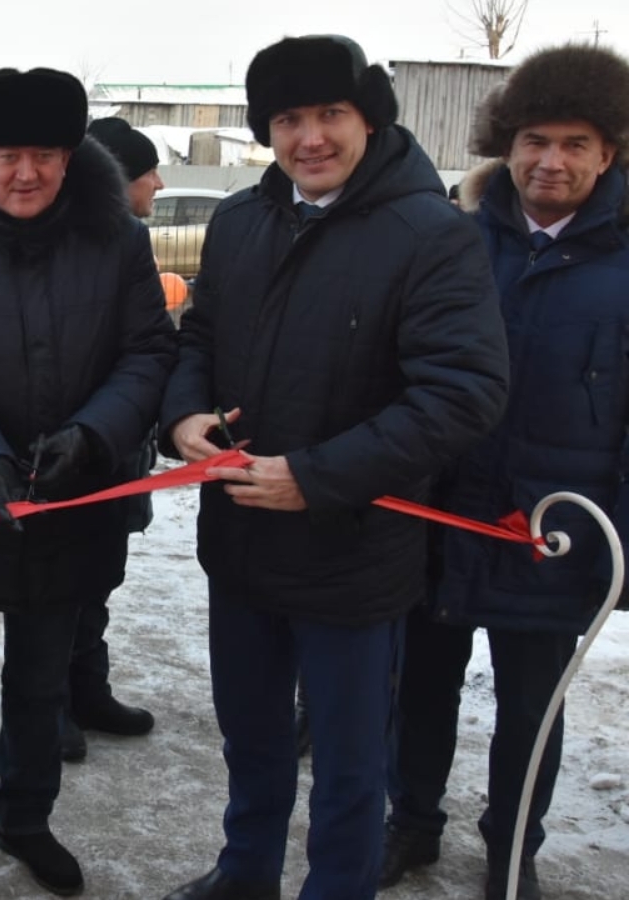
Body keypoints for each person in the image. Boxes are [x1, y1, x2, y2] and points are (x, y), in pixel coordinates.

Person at [157, 35, 509, 900]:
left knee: (350, 763)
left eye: (330, 115)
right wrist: (185, 414)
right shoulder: (240, 222)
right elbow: (200, 336)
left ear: (368, 120)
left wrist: (315, 477)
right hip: (241, 541)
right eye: (288, 119)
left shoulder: (430, 233)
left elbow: (463, 392)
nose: (310, 137)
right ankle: (246, 872)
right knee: (252, 736)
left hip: (354, 550)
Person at [0, 67, 177, 900]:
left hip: (69, 506)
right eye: (6, 154)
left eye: (44, 154)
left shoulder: (117, 240)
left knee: (42, 685)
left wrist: (93, 435)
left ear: (69, 157)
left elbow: (147, 353)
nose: (26, 173)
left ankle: (27, 818)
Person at [382, 44, 629, 900]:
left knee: (532, 707)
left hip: (552, 531)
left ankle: (512, 845)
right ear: (507, 144)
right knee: (419, 688)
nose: (550, 161)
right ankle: (410, 823)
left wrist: (619, 543)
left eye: (574, 143)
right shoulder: (451, 241)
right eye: (535, 140)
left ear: (609, 152)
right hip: (441, 513)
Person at [56, 115, 168, 763]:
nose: (159, 183)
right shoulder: (67, 244)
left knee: (100, 578)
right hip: (70, 453)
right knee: (61, 588)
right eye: (149, 171)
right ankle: (53, 704)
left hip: (118, 447)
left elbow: (144, 347)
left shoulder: (130, 243)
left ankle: (87, 690)